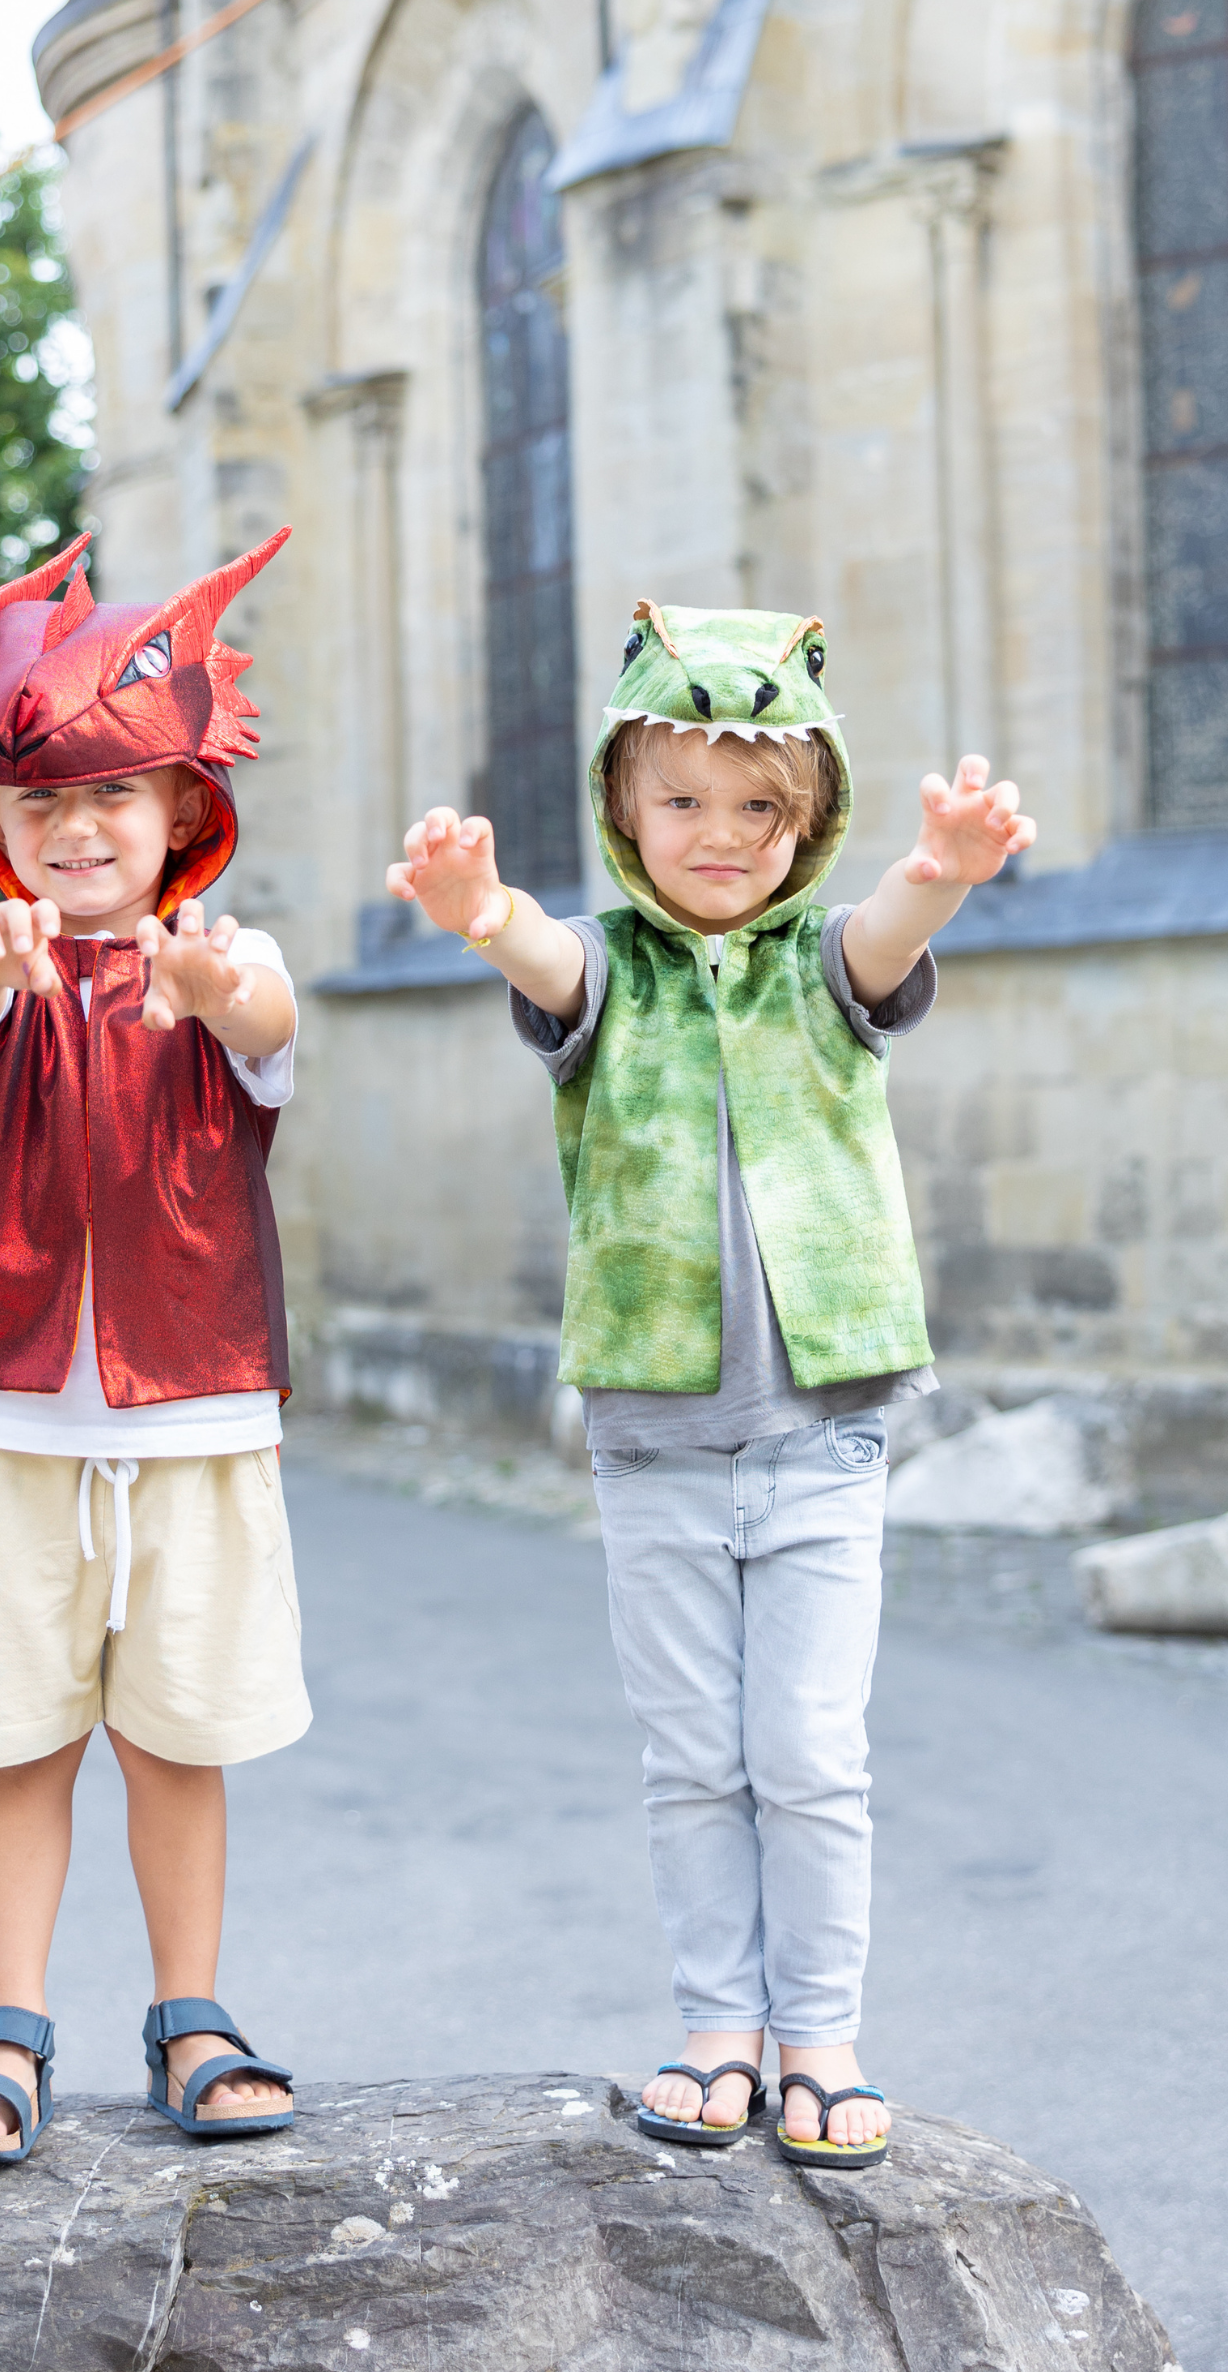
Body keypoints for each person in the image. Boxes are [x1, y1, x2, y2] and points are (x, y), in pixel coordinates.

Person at [385, 601, 1034, 2169]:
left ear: (810, 823)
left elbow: (884, 938)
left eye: (761, 807)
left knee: (808, 1754)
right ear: (621, 807)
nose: (721, 834)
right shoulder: (606, 975)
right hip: (657, 1440)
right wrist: (481, 909)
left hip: (825, 1437)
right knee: (694, 1758)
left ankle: (819, 2035)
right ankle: (714, 2032)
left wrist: (937, 870)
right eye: (683, 800)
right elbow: (542, 952)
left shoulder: (829, 963)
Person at [0, 528, 310, 2163]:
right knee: (19, 1731)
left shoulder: (226, 962)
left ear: (183, 811)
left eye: (117, 795)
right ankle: (9, 2024)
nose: (79, 827)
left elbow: (267, 1033)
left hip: (190, 1412)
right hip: (11, 1418)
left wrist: (214, 990)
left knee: (175, 1734)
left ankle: (191, 2010)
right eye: (41, 802)